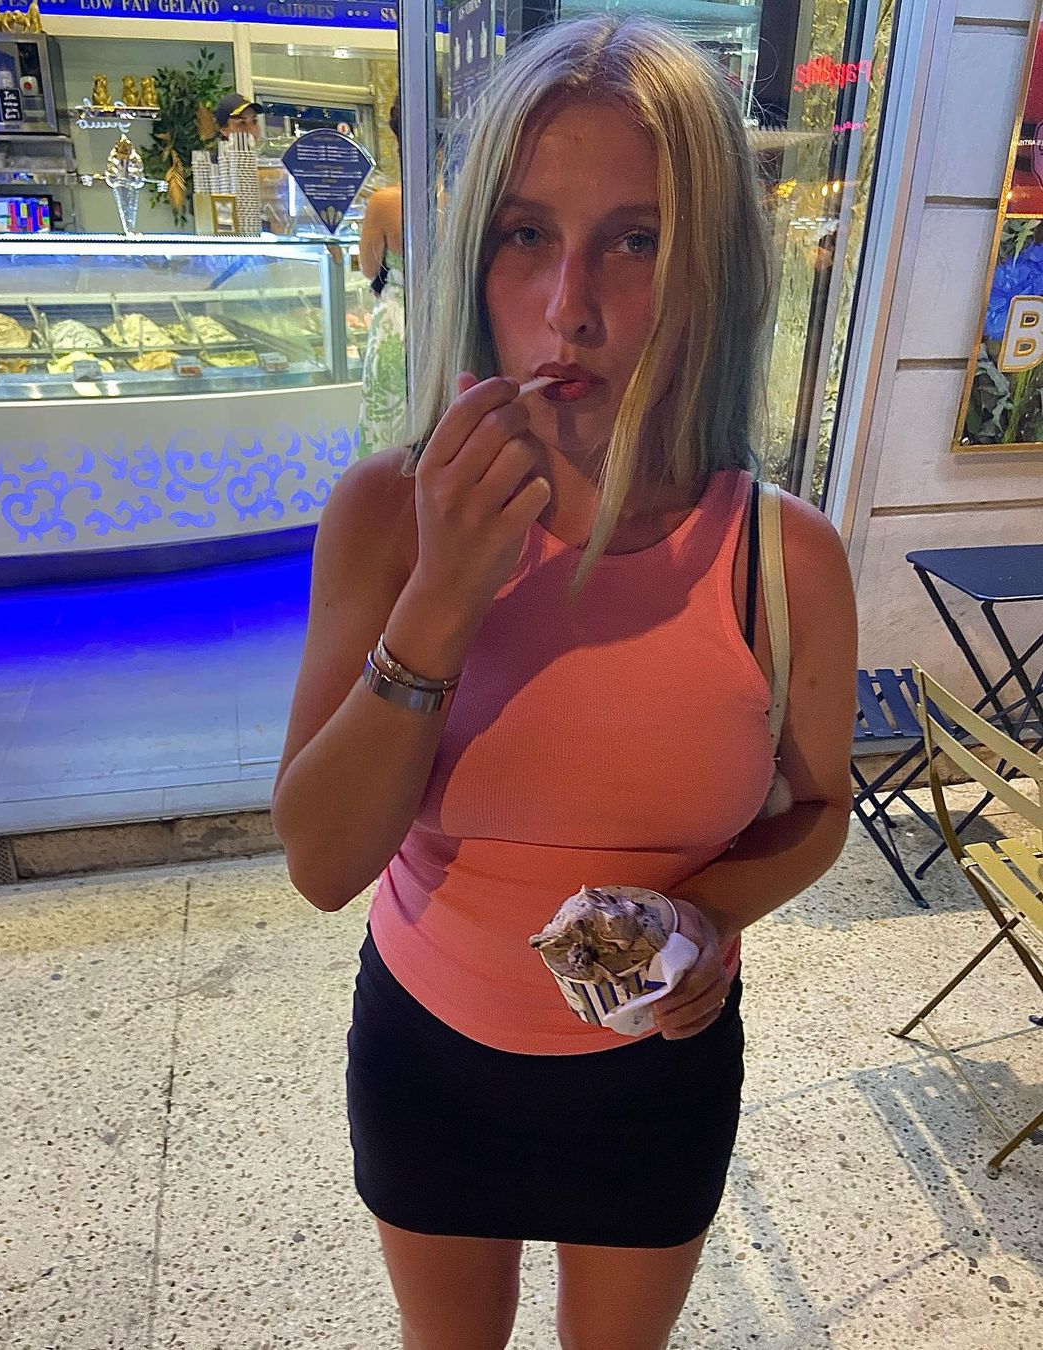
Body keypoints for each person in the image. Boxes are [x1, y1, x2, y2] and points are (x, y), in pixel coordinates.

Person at [273, 15, 856, 1350]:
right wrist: (444, 595)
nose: (569, 306)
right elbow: (319, 861)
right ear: (475, 257)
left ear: (712, 270)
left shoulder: (784, 558)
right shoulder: (388, 514)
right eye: (526, 233)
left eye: (637, 240)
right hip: (427, 1048)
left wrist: (711, 911)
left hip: (656, 1077)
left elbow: (821, 809)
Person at [356, 99, 406, 459]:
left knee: (389, 428)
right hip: (451, 321)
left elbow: (369, 268)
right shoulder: (461, 199)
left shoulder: (384, 202)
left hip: (396, 325)